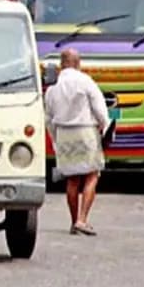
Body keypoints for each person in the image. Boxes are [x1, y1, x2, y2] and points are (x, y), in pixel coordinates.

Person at [44, 48, 108, 236]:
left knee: (72, 179)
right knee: (92, 175)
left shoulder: (53, 88)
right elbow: (100, 108)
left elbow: (48, 117)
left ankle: (74, 222)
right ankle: (82, 219)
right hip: (85, 131)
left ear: (61, 65)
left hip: (64, 133)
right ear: (78, 63)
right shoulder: (85, 81)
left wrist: (55, 138)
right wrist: (105, 126)